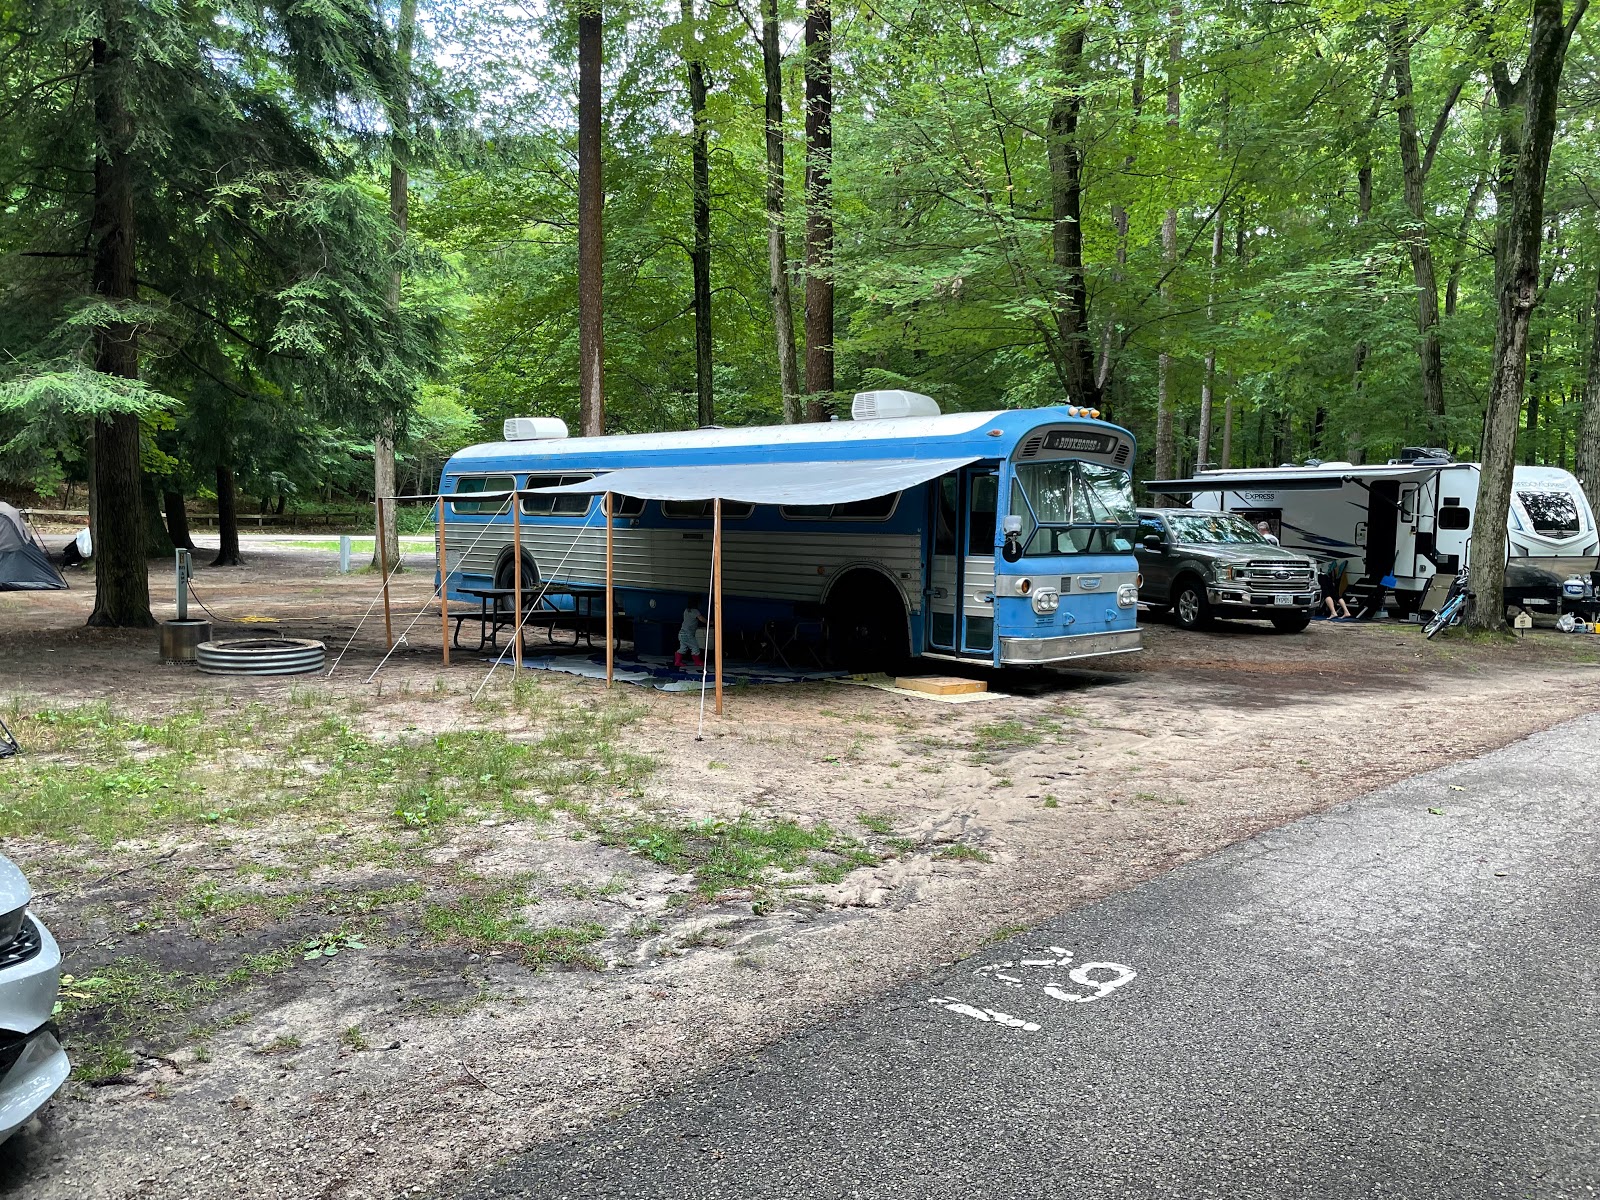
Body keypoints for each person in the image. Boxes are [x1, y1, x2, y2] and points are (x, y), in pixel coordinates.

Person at [675, 598, 706, 670]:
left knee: (683, 648)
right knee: (695, 647)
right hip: (688, 634)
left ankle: (677, 662)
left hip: (681, 633)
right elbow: (701, 619)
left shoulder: (686, 610)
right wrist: (709, 622)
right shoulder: (695, 611)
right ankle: (697, 662)